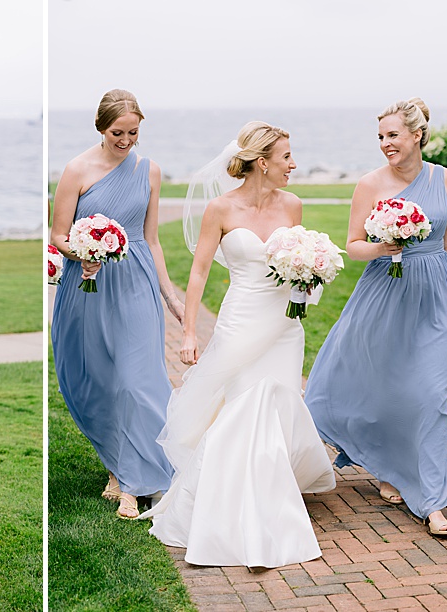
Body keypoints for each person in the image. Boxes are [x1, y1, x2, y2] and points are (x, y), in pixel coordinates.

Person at [140, 122, 336, 568]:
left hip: (285, 326)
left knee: (275, 405)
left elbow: (295, 261)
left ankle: (266, 494)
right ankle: (229, 508)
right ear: (262, 162)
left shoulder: (293, 204)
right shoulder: (220, 209)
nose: (294, 164)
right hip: (241, 318)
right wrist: (189, 332)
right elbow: (199, 274)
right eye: (287, 156)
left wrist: (307, 279)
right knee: (244, 407)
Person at [304, 99, 447, 536]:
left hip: (436, 296)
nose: (386, 144)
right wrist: (384, 245)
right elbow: (352, 244)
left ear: (417, 135)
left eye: (393, 135)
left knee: (428, 396)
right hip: (386, 293)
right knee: (386, 389)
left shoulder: (443, 177)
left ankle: (431, 499)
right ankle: (390, 465)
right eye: (381, 137)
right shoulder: (370, 184)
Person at [49, 89, 180, 519]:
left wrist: (169, 293)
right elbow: (58, 235)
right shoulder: (76, 170)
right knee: (101, 381)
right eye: (117, 132)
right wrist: (81, 254)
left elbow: (152, 238)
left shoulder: (149, 171)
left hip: (135, 281)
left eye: (134, 133)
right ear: (100, 128)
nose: (126, 141)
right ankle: (117, 466)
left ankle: (137, 482)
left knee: (136, 380)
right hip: (88, 284)